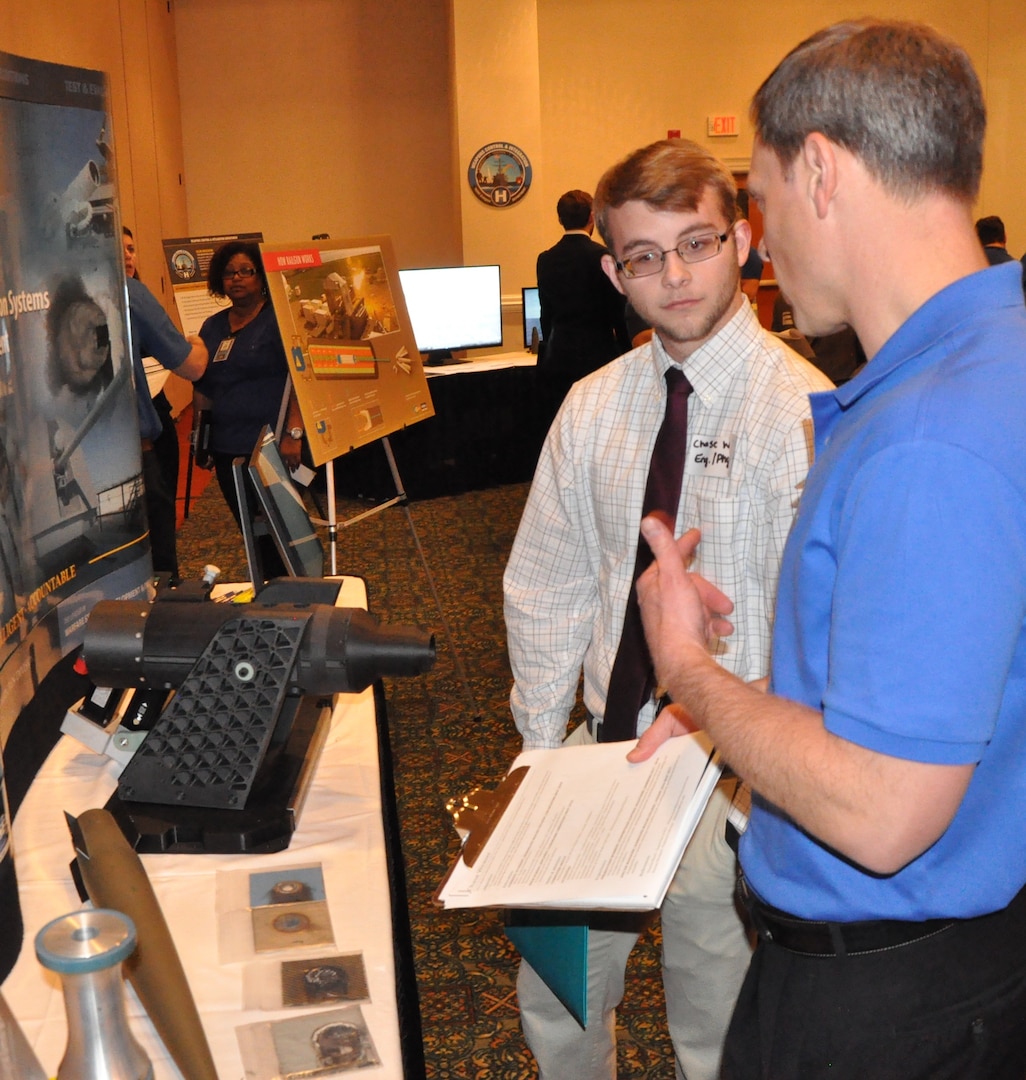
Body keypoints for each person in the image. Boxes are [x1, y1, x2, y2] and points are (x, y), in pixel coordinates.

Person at [631, 20, 1026, 1080]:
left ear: (819, 169)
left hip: (888, 1000)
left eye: (755, 200)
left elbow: (884, 811)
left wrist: (690, 674)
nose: (758, 241)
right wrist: (768, 696)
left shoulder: (931, 433)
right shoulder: (996, 352)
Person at [504, 138, 832, 1080]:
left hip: (725, 770)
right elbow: (548, 579)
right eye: (645, 256)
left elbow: (815, 639)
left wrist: (762, 790)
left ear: (742, 241)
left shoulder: (801, 413)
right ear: (613, 270)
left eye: (697, 244)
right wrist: (540, 743)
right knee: (557, 994)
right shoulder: (591, 406)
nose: (675, 275)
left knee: (714, 1011)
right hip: (601, 749)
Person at [194, 240, 304, 579]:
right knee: (250, 527)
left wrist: (293, 434)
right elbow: (203, 386)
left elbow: (301, 380)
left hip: (272, 445)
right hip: (228, 447)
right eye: (228, 273)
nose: (236, 279)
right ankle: (268, 590)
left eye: (245, 271)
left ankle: (296, 590)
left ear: (261, 277)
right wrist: (201, 437)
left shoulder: (279, 320)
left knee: (282, 527)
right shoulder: (212, 327)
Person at [123, 229, 208, 580]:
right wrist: (198, 343)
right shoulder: (129, 293)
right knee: (157, 561)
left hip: (71, 463)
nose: (128, 256)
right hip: (133, 456)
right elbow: (192, 366)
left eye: (132, 248)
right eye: (120, 248)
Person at [535, 189, 631, 423]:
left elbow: (545, 315)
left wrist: (549, 349)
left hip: (559, 356)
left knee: (564, 421)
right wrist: (627, 351)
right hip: (598, 354)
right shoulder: (603, 257)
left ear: (560, 219)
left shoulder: (546, 259)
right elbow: (619, 313)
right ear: (592, 217)